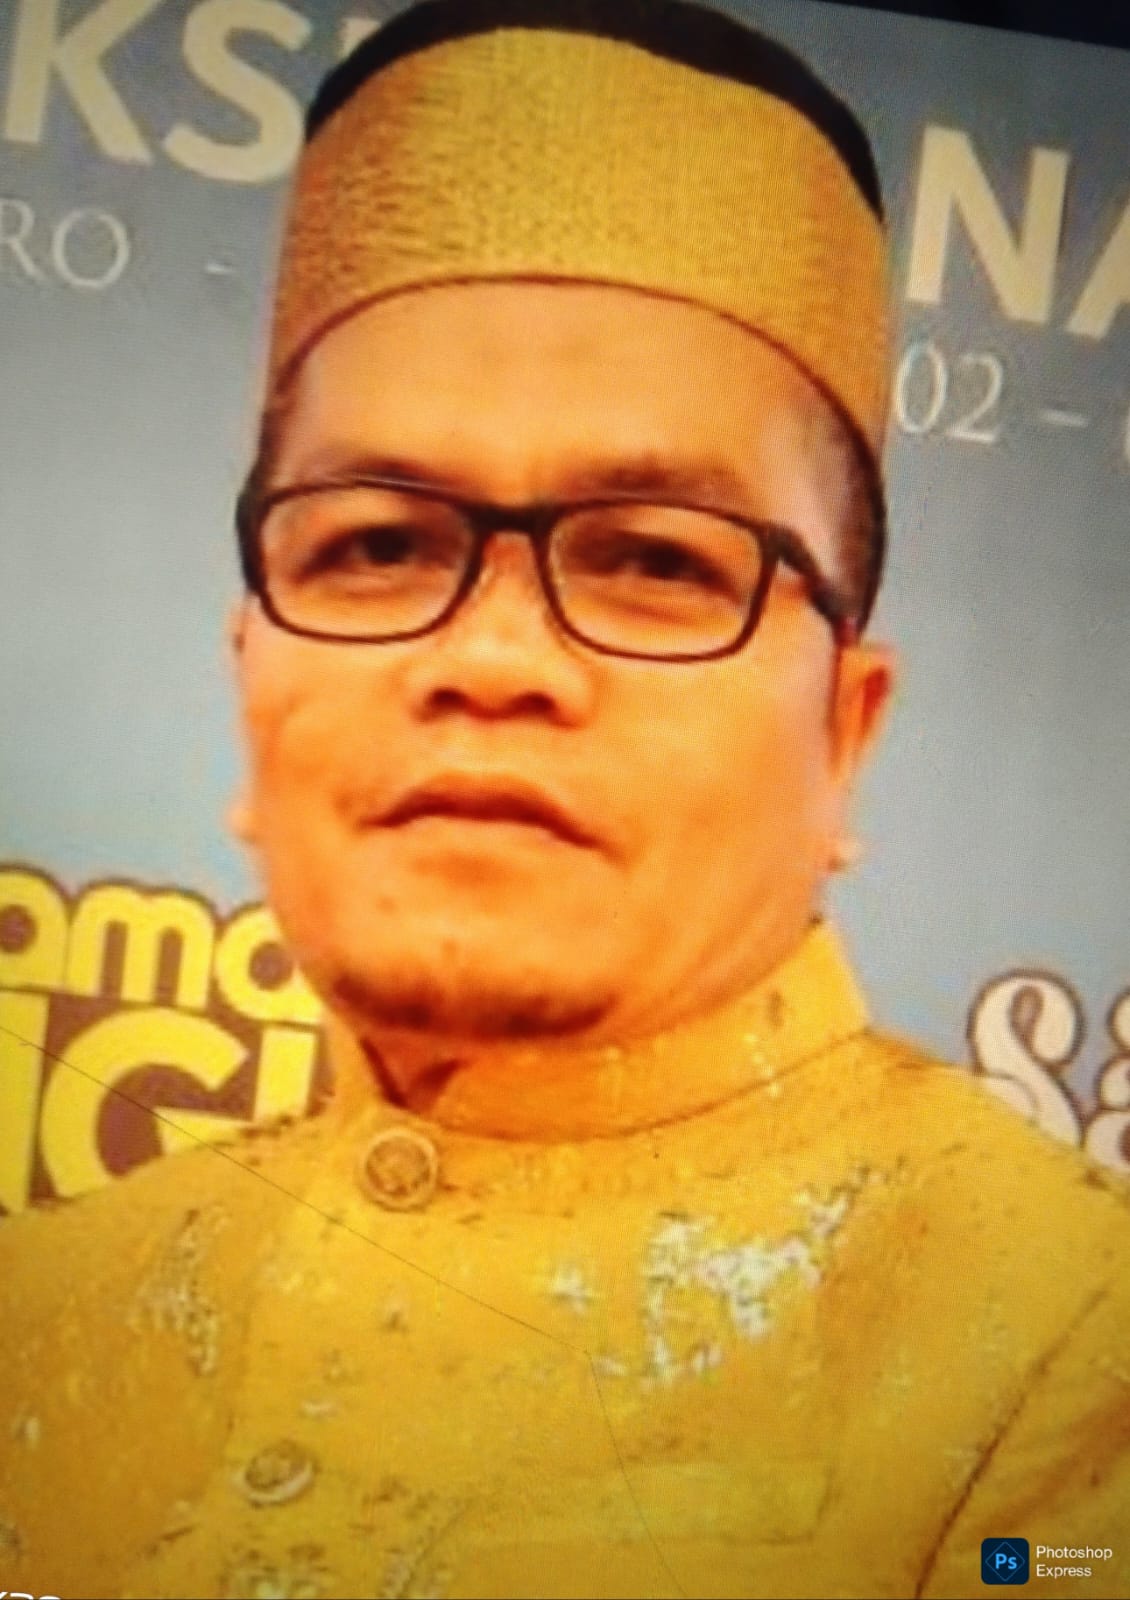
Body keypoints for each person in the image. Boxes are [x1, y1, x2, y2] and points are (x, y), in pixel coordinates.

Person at [2, 3, 1128, 1597]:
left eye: (656, 559)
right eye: (376, 543)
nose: (491, 656)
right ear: (248, 666)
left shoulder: (1071, 1354)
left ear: (846, 733)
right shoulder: (43, 1309)